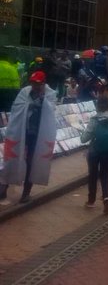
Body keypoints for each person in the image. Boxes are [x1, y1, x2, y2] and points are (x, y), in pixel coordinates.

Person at [0, 71, 57, 204]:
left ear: (43, 83)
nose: (34, 86)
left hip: (37, 136)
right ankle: (3, 188)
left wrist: (42, 98)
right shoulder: (25, 92)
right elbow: (17, 108)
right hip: (21, 132)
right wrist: (30, 105)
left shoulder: (50, 94)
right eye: (32, 83)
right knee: (11, 158)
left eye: (37, 84)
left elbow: (50, 111)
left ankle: (26, 192)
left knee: (32, 162)